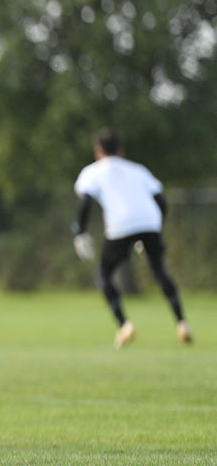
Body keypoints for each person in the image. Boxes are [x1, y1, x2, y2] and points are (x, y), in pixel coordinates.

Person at [73, 127, 192, 348]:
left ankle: (124, 324)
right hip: (150, 221)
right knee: (159, 271)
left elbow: (85, 201)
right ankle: (181, 322)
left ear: (98, 151)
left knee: (104, 274)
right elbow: (162, 202)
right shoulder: (139, 170)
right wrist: (154, 229)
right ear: (121, 151)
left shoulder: (92, 171)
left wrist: (80, 232)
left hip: (120, 225)